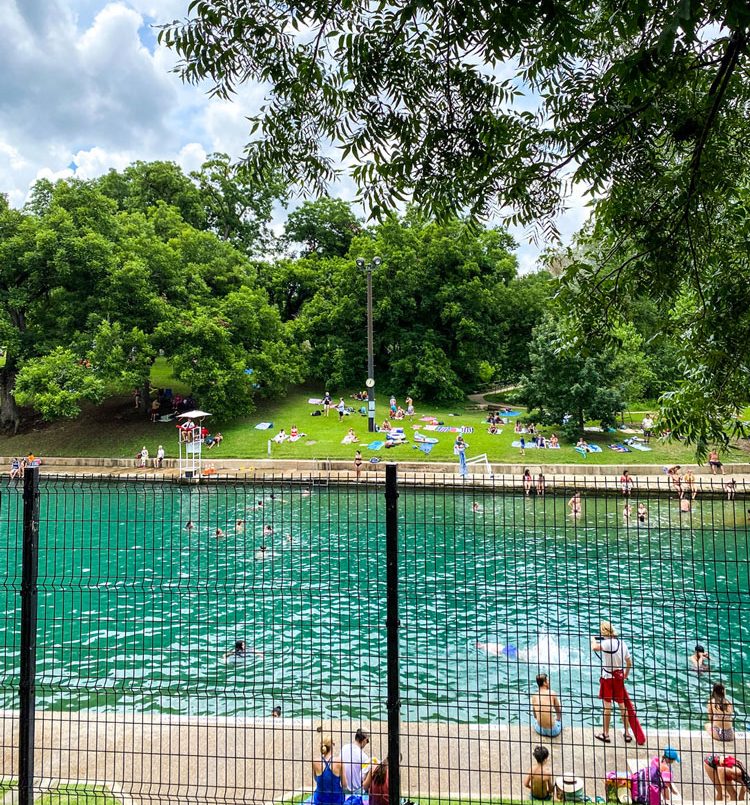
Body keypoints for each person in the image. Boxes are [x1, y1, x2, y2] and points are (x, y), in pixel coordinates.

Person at [591, 621, 632, 743]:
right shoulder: (622, 644)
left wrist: (593, 639)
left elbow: (594, 647)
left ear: (603, 632)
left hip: (607, 678)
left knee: (607, 707)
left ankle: (606, 734)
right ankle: (627, 733)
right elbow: (629, 663)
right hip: (619, 678)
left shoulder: (606, 643)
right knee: (622, 706)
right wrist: (625, 675)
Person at [312, 734, 346, 804]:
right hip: (336, 800)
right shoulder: (339, 761)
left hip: (320, 800)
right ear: (332, 745)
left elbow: (316, 779)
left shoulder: (315, 761)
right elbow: (344, 785)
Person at [340, 729, 370, 794]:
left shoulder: (344, 748)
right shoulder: (364, 757)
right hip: (356, 790)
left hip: (342, 787)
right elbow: (365, 779)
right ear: (364, 740)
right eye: (367, 741)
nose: (367, 743)